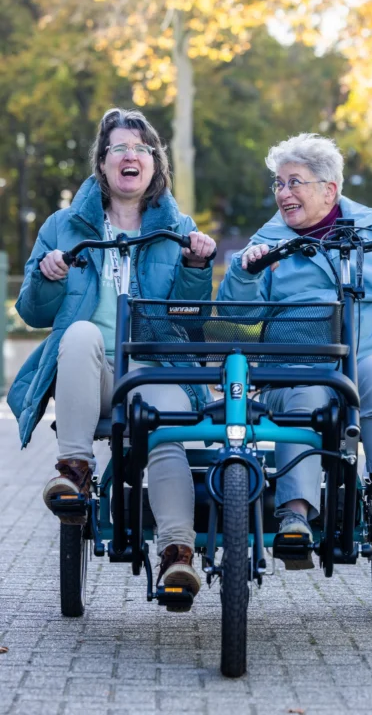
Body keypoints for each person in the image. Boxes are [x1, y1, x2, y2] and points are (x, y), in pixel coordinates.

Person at [7, 108, 216, 598]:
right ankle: (75, 473)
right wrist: (47, 276)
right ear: (101, 162)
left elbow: (192, 320)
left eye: (141, 149)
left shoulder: (178, 226)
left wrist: (194, 265)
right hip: (93, 372)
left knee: (165, 434)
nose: (130, 156)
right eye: (119, 148)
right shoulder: (63, 225)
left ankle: (177, 554)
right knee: (79, 333)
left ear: (154, 162)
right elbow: (33, 313)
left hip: (156, 369)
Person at [218, 133, 372, 567]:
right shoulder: (269, 239)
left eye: (294, 182)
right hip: (299, 363)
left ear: (330, 189)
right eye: (279, 184)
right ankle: (295, 516)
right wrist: (246, 272)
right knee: (305, 387)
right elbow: (238, 311)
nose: (283, 193)